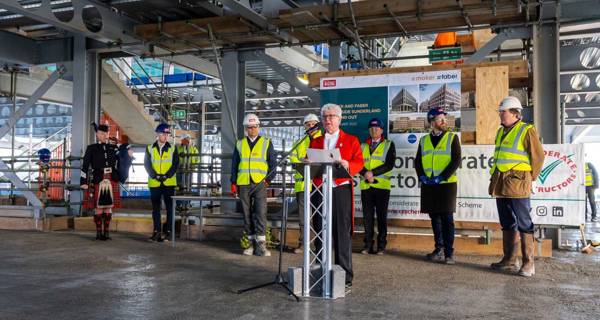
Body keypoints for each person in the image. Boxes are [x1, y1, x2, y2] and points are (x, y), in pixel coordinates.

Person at [488, 96, 544, 277]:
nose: (500, 115)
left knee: (524, 222)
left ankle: (529, 263)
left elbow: (538, 156)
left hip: (518, 183)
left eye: (502, 112)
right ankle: (510, 261)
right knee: (507, 222)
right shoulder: (501, 131)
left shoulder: (526, 130)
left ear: (514, 113)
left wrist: (532, 179)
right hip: (501, 182)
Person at [310, 103, 364, 288]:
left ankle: (345, 276)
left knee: (341, 232)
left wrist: (347, 164)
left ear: (340, 119)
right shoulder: (315, 141)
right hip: (320, 190)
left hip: (340, 190)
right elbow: (312, 162)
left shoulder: (351, 140)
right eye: (325, 116)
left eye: (332, 116)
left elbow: (359, 162)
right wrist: (307, 162)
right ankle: (320, 271)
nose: (328, 119)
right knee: (320, 230)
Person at [415, 108, 461, 264]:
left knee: (447, 219)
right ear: (432, 121)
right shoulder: (423, 141)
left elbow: (456, 161)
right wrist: (421, 176)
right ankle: (439, 249)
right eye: (440, 119)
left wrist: (442, 177)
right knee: (434, 218)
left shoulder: (452, 138)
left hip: (446, 185)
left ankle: (449, 253)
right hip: (429, 185)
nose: (444, 121)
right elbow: (418, 162)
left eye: (444, 119)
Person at [230, 114, 277, 257]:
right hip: (243, 182)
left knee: (261, 212)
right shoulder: (239, 143)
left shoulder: (266, 142)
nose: (252, 130)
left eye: (254, 127)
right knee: (246, 213)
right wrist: (233, 182)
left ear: (258, 127)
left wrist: (268, 180)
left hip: (260, 183)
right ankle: (251, 244)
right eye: (249, 127)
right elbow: (234, 165)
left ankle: (261, 245)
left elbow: (273, 164)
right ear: (245, 128)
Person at [359, 118, 396, 255]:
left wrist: (372, 173)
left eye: (377, 128)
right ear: (369, 130)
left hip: (382, 187)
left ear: (381, 130)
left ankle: (381, 246)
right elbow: (357, 163)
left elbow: (389, 164)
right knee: (367, 217)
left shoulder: (389, 144)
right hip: (366, 187)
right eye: (372, 128)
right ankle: (367, 245)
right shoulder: (362, 146)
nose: (374, 130)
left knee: (381, 217)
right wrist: (365, 173)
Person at [80, 122, 121, 241]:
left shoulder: (113, 147)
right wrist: (83, 181)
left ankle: (106, 233)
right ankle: (98, 233)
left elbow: (121, 161)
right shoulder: (91, 148)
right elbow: (85, 166)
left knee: (108, 207)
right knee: (98, 207)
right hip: (98, 178)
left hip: (111, 177)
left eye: (106, 133)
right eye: (102, 133)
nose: (104, 135)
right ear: (97, 134)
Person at [289, 113, 322, 254]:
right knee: (303, 218)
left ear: (318, 124)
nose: (310, 126)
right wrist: (301, 161)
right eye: (307, 124)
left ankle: (320, 245)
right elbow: (293, 160)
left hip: (319, 185)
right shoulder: (298, 142)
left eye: (313, 123)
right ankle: (303, 244)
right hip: (302, 185)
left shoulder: (324, 140)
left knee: (319, 216)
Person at [144, 123, 179, 242]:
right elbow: (147, 164)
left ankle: (168, 232)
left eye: (167, 134)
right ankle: (157, 231)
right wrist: (155, 176)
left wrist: (166, 176)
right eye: (164, 134)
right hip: (155, 183)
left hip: (168, 182)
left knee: (170, 207)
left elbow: (175, 164)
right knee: (155, 208)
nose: (166, 136)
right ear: (158, 134)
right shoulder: (149, 148)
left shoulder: (173, 148)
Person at [176, 134, 200, 211]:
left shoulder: (193, 149)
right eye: (185, 139)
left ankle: (187, 203)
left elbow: (198, 159)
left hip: (189, 171)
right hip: (180, 171)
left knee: (188, 187)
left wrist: (194, 166)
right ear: (182, 140)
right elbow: (174, 159)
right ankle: (179, 204)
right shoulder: (178, 149)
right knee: (179, 187)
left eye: (188, 139)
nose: (187, 140)